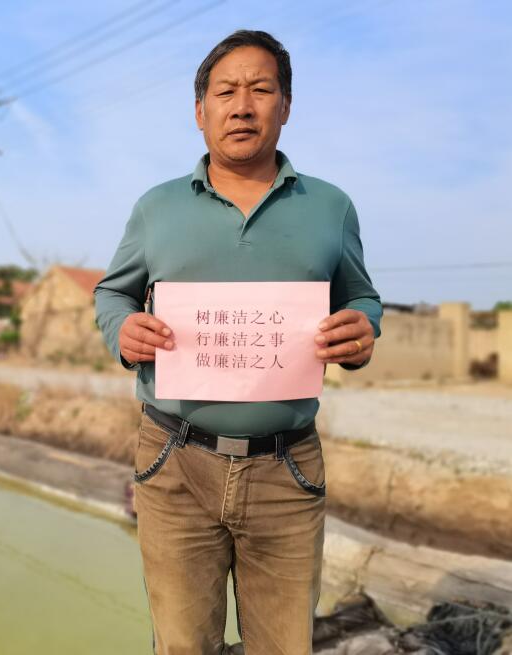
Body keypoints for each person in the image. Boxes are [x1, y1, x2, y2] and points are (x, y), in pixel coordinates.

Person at [94, 30, 382, 655]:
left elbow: (361, 297)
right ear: (201, 112)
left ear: (286, 106)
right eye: (226, 92)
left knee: (285, 645)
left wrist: (363, 330)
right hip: (173, 461)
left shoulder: (330, 206)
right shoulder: (156, 208)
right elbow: (112, 293)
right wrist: (124, 330)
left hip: (286, 467)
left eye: (261, 90)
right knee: (182, 645)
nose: (243, 106)